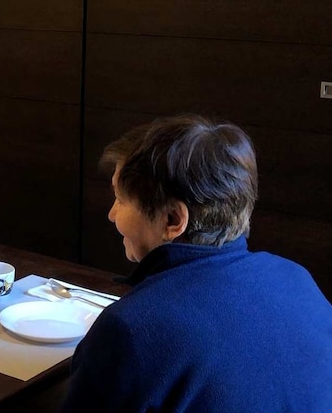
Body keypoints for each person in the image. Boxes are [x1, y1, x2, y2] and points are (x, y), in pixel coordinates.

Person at [59, 115, 332, 412]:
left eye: (121, 200)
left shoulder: (132, 330)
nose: (112, 214)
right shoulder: (297, 279)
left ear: (173, 220)